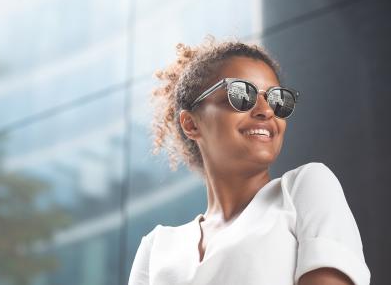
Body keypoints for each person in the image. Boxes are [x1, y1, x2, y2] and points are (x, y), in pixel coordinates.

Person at [128, 38, 370, 285]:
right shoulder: (155, 248)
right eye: (242, 95)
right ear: (191, 123)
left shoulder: (306, 188)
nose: (266, 110)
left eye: (278, 100)